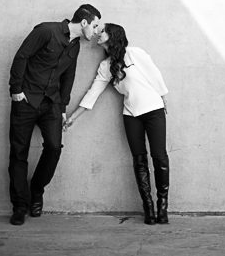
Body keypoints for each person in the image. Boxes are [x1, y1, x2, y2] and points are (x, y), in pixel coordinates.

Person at [63, 23, 170, 225]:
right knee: (139, 161)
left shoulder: (134, 53)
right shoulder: (105, 66)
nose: (98, 34)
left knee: (159, 156)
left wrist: (164, 97)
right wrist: (73, 117)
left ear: (113, 35)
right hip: (131, 115)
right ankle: (149, 208)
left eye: (102, 31)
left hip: (153, 110)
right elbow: (93, 93)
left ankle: (162, 206)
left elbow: (154, 74)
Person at [7, 4, 102, 225]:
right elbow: (21, 56)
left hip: (51, 103)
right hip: (27, 100)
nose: (96, 31)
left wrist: (61, 108)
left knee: (54, 147)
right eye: (95, 25)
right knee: (18, 153)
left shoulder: (75, 46)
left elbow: (68, 76)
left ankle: (36, 191)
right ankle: (20, 205)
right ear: (85, 22)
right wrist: (16, 91)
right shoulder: (46, 31)